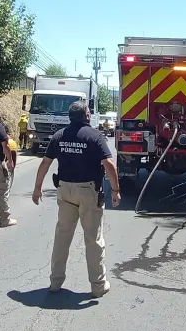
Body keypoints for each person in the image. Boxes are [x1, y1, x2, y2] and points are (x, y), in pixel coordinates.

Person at [32, 100, 120, 297]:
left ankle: (55, 282)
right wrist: (115, 190)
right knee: (93, 239)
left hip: (64, 190)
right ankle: (98, 286)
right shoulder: (95, 136)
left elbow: (45, 163)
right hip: (88, 192)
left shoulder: (59, 136)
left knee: (62, 236)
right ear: (87, 115)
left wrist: (37, 188)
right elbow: (108, 163)